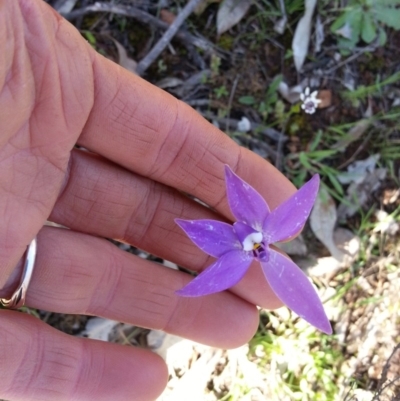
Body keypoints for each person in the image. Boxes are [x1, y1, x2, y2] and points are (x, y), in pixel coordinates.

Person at [0, 1, 297, 400]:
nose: (258, 247)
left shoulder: (260, 244)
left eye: (258, 248)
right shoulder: (239, 241)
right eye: (258, 246)